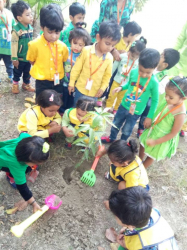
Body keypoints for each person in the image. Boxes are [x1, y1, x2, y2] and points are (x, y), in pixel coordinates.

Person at [102, 48, 160, 143]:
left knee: (127, 129)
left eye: (148, 72)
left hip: (136, 111)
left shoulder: (154, 83)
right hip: (124, 105)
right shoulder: (133, 72)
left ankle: (122, 143)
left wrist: (149, 117)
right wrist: (121, 87)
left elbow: (155, 101)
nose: (144, 75)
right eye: (141, 70)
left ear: (155, 67)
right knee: (116, 123)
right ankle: (112, 138)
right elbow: (129, 84)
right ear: (139, 63)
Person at [68, 21, 121, 106]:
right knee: (76, 108)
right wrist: (71, 83)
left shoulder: (109, 58)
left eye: (113, 45)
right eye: (107, 43)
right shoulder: (86, 50)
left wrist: (103, 88)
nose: (109, 48)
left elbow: (107, 76)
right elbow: (76, 68)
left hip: (94, 93)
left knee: (88, 112)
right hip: (80, 89)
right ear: (98, 38)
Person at [109, 187, 178, 250]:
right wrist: (127, 228)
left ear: (130, 226)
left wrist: (126, 246)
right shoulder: (153, 212)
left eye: (115, 215)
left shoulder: (141, 245)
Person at [139, 76, 187, 168]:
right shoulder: (170, 101)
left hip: (162, 137)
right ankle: (139, 160)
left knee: (151, 155)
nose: (166, 98)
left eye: (170, 97)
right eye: (166, 95)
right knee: (142, 144)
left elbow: (173, 133)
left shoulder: (180, 114)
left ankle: (141, 169)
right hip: (154, 129)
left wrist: (156, 141)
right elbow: (159, 112)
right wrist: (150, 119)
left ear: (183, 98)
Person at [26, 3, 69, 100]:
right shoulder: (34, 45)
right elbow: (31, 60)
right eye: (50, 32)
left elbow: (64, 60)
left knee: (56, 101)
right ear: (42, 27)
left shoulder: (63, 46)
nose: (54, 36)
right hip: (42, 82)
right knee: (41, 102)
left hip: (58, 81)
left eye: (57, 32)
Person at [0, 133, 50, 213]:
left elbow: (22, 134)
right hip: (3, 161)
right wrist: (34, 203)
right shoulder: (17, 166)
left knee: (27, 169)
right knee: (21, 171)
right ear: (25, 161)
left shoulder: (27, 140)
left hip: (5, 150)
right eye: (35, 163)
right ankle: (10, 176)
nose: (36, 165)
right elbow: (22, 187)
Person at [137, 48, 180, 138]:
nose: (158, 56)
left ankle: (141, 127)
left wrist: (152, 86)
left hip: (150, 97)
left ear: (165, 64)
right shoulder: (152, 67)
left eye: (161, 56)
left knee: (146, 111)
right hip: (141, 93)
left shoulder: (165, 76)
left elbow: (160, 90)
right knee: (138, 106)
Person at [106, 37, 147, 114]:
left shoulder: (138, 63)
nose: (133, 58)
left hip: (127, 84)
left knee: (121, 97)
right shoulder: (122, 56)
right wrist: (109, 76)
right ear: (129, 50)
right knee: (112, 94)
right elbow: (113, 67)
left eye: (136, 57)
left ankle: (116, 109)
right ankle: (108, 107)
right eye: (132, 55)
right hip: (117, 80)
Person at [62, 27, 91, 113]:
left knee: (72, 99)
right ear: (70, 41)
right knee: (64, 96)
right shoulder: (66, 50)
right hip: (64, 81)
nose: (77, 47)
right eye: (75, 43)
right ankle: (61, 110)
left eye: (80, 45)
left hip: (76, 84)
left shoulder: (84, 55)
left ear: (85, 46)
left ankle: (69, 112)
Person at [11, 0, 34, 94]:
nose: (31, 16)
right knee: (17, 72)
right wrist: (14, 58)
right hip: (19, 58)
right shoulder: (16, 30)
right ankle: (15, 85)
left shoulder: (30, 28)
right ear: (19, 18)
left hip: (28, 57)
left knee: (27, 72)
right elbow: (13, 44)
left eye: (31, 14)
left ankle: (26, 84)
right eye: (28, 15)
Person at [0, 0, 15, 83]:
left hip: (8, 45)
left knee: (9, 63)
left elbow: (13, 26)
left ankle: (11, 76)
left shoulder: (9, 13)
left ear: (4, 1)